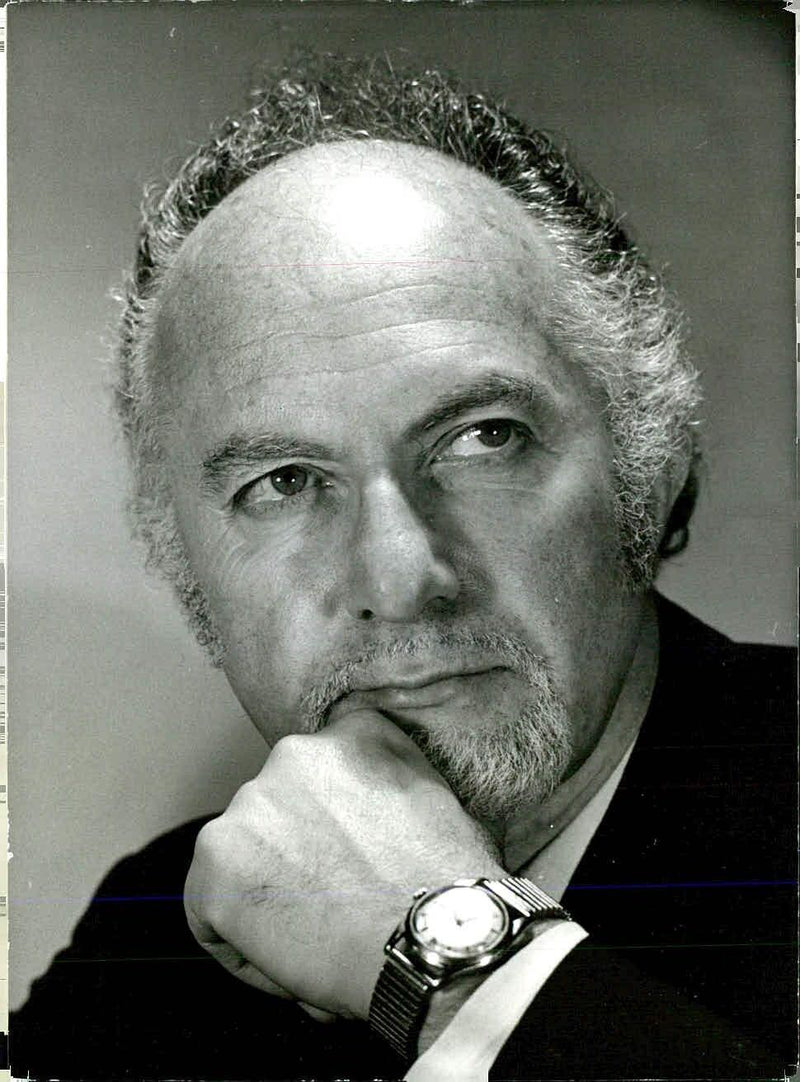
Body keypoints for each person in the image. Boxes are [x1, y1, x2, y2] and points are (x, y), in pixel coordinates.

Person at [11, 56, 795, 1081]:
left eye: (481, 439)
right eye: (285, 481)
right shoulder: (153, 934)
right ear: (185, 567)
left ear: (649, 465)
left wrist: (456, 959)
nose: (397, 573)